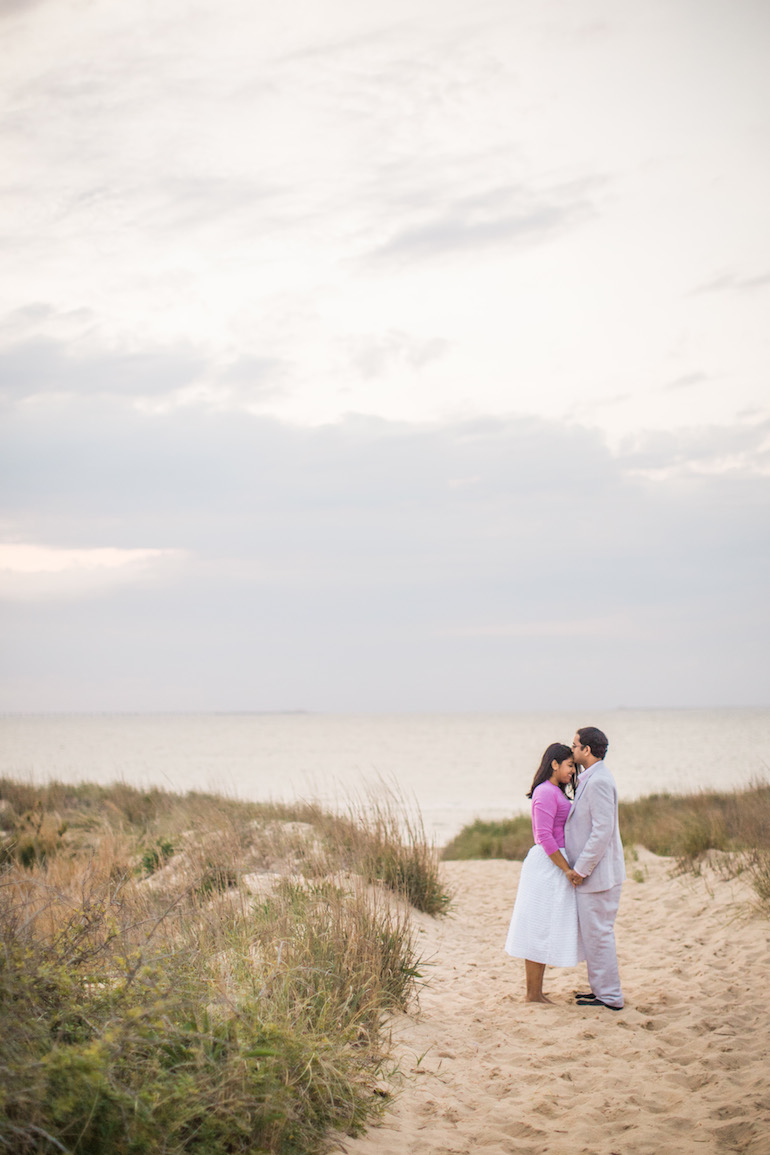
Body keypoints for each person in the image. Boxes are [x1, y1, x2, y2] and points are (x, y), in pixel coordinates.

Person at [505, 742, 585, 1002]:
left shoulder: (556, 791)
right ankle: (533, 994)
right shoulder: (545, 792)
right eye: (570, 765)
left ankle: (536, 993)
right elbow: (543, 836)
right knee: (536, 928)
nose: (572, 771)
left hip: (554, 864)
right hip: (547, 865)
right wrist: (566, 869)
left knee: (544, 928)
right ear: (554, 763)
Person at [564, 725, 626, 1011]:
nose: (572, 749)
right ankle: (601, 991)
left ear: (587, 749)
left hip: (598, 875)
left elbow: (602, 831)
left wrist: (582, 868)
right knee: (594, 935)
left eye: (575, 745)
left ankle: (610, 996)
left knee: (599, 935)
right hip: (595, 876)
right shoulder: (591, 777)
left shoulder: (599, 781)